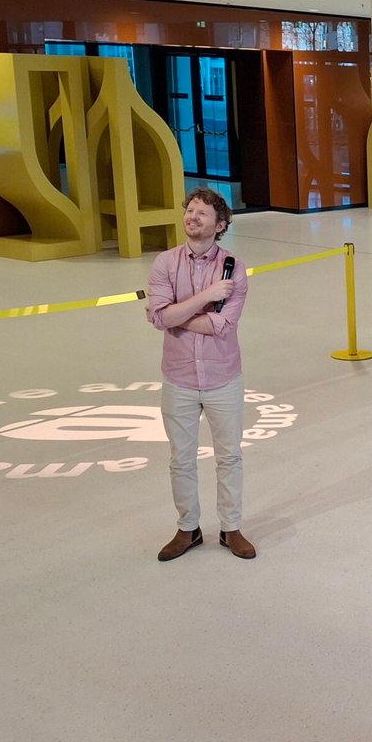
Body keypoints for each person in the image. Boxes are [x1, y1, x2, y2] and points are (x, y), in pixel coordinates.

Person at [146, 187, 256, 561]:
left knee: (229, 457)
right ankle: (187, 529)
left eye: (202, 213)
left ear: (220, 225)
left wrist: (174, 315)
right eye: (190, 210)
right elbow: (160, 317)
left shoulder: (233, 268)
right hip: (178, 378)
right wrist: (206, 297)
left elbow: (220, 326)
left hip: (223, 377)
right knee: (181, 459)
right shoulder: (165, 263)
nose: (192, 217)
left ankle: (231, 528)